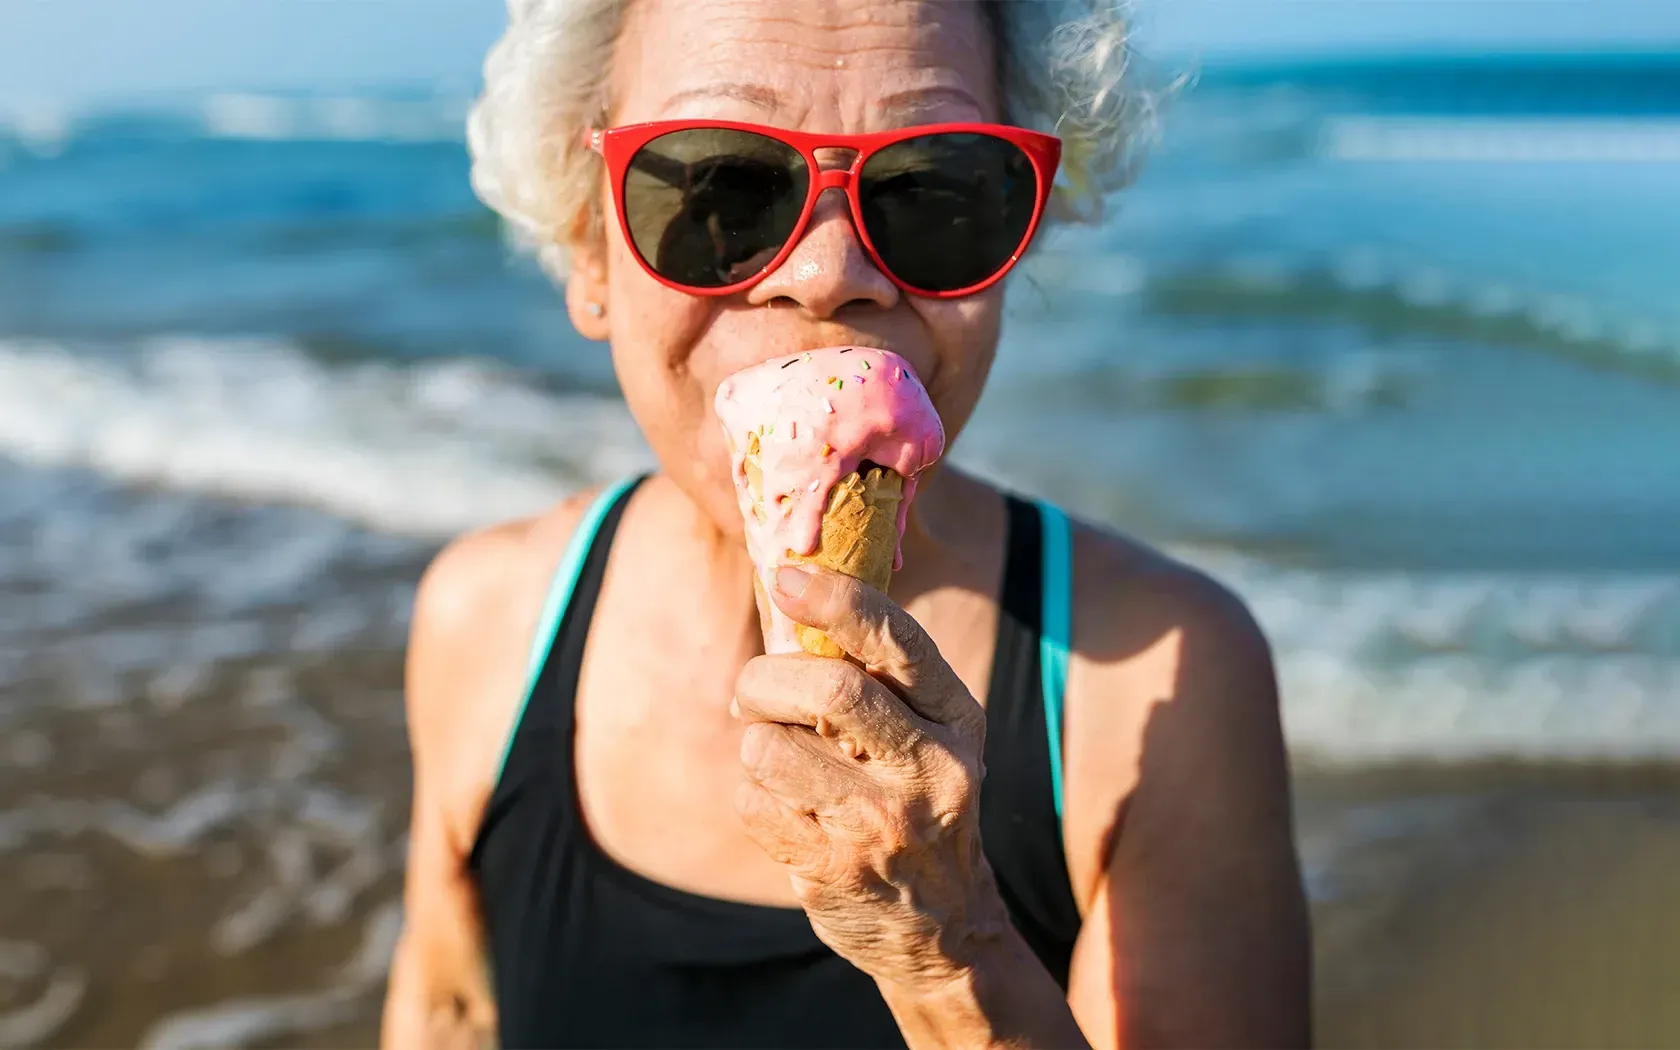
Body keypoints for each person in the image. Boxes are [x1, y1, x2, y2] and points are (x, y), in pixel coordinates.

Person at [381, 0, 1312, 1047]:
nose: (830, 273)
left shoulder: (1163, 681)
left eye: (934, 190)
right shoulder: (488, 620)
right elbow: (449, 1006)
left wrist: (950, 954)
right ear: (589, 244)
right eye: (723, 186)